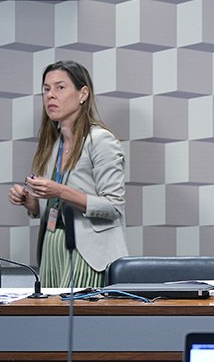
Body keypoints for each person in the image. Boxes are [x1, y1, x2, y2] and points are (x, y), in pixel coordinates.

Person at [8, 60, 128, 288]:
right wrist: (29, 200)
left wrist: (61, 191)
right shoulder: (52, 144)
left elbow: (114, 207)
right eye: (46, 89)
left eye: (60, 87)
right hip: (52, 246)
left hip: (89, 251)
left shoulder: (101, 140)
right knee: (53, 321)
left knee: (81, 320)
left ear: (83, 93)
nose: (50, 96)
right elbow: (46, 208)